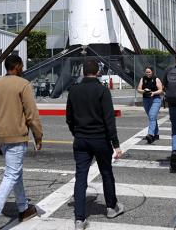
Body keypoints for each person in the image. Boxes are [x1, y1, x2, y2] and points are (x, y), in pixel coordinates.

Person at [0, 55, 43, 230]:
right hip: (17, 136)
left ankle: (23, 208)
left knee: (15, 172)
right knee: (11, 175)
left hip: (2, 137)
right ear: (19, 66)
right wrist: (38, 136)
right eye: (22, 66)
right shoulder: (23, 84)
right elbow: (31, 114)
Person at [66, 59, 124, 230]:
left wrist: (76, 133)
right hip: (100, 139)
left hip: (81, 139)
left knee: (81, 177)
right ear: (98, 72)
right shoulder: (102, 90)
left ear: (83, 71)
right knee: (106, 173)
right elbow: (109, 120)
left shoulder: (74, 90)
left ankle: (79, 219)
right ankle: (111, 207)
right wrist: (116, 144)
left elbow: (69, 117)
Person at [137, 66, 164, 144]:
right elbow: (139, 89)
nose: (148, 73)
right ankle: (156, 134)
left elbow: (161, 90)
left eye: (149, 72)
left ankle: (150, 134)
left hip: (155, 100)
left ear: (152, 72)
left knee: (152, 116)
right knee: (152, 117)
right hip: (146, 100)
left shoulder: (156, 79)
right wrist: (144, 91)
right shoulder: (143, 79)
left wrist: (153, 93)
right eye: (146, 72)